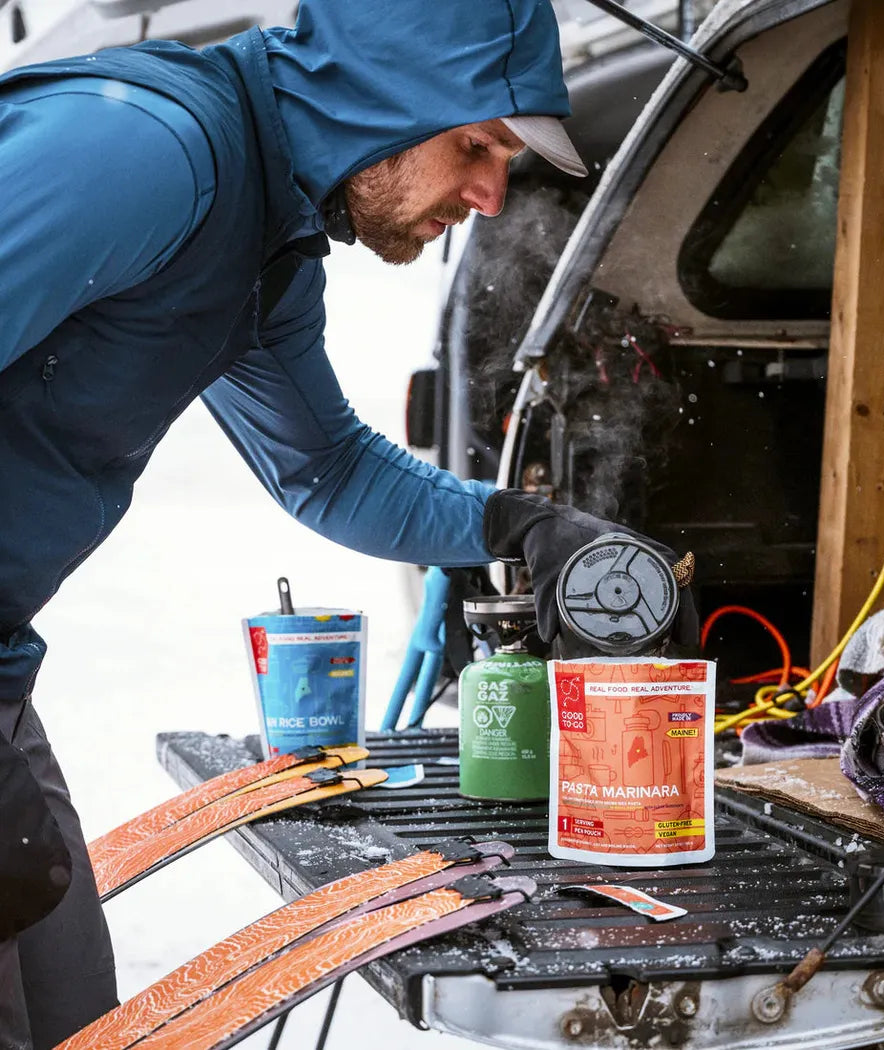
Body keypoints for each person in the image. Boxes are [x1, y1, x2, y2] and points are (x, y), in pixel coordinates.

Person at [0, 0, 696, 1044]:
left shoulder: (262, 238)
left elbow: (324, 469)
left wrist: (526, 529)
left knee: (68, 1019)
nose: (492, 194)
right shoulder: (141, 151)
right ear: (380, 92)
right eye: (475, 144)